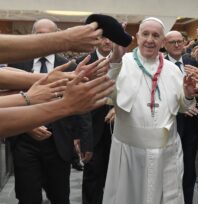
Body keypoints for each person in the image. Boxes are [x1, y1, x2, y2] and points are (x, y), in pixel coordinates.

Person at [102, 17, 196, 204]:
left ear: (163, 41)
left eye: (156, 35)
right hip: (129, 153)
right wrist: (115, 61)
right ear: (137, 37)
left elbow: (185, 107)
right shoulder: (122, 62)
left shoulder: (173, 69)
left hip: (166, 152)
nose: (150, 40)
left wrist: (188, 95)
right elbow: (107, 94)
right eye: (145, 34)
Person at [7, 19, 93, 204]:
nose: (44, 40)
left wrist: (84, 140)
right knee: (28, 197)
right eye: (40, 35)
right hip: (24, 142)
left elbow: (81, 107)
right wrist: (28, 124)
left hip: (58, 143)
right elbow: (7, 99)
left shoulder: (70, 67)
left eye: (49, 35)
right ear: (32, 37)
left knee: (60, 196)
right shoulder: (18, 64)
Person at [164, 30, 198, 204]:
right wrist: (182, 107)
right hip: (170, 122)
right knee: (169, 168)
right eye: (172, 42)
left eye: (180, 41)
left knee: (189, 167)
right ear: (164, 45)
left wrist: (195, 99)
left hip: (191, 123)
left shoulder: (190, 61)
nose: (177, 45)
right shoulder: (160, 64)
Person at [76, 36, 114, 204]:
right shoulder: (83, 62)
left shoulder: (128, 62)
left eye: (111, 38)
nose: (107, 42)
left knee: (118, 178)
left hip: (121, 129)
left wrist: (118, 107)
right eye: (104, 38)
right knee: (93, 177)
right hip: (92, 129)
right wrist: (80, 137)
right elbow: (76, 102)